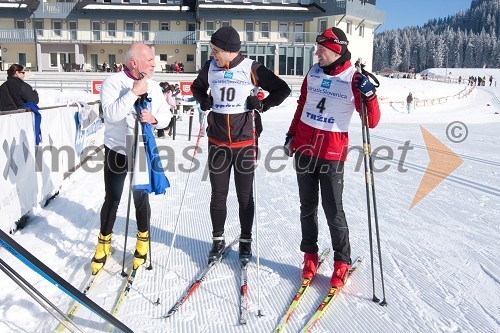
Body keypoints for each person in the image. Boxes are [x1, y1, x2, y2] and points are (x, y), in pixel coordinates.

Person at [284, 27, 380, 288]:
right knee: (307, 207)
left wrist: (369, 94)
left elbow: (371, 121)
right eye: (318, 49)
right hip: (304, 149)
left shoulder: (352, 77)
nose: (317, 54)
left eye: (322, 50)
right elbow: (302, 105)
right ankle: (310, 256)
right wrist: (291, 135)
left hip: (332, 154)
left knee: (333, 210)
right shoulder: (313, 73)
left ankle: (342, 262)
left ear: (336, 50)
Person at [191, 26, 290, 264]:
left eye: (215, 50)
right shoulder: (210, 67)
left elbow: (282, 89)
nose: (212, 53)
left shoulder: (251, 68)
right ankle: (218, 240)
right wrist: (204, 99)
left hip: (245, 142)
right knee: (218, 195)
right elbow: (196, 87)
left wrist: (261, 104)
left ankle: (246, 241)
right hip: (217, 142)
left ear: (228, 50)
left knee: (245, 197)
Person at [92, 43, 171, 274]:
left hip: (141, 149)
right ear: (134, 62)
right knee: (113, 197)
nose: (154, 63)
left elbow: (167, 116)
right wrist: (134, 93)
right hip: (117, 149)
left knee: (140, 198)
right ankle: (104, 241)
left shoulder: (155, 87)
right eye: (149, 60)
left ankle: (143, 239)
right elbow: (111, 114)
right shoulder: (113, 82)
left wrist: (154, 118)